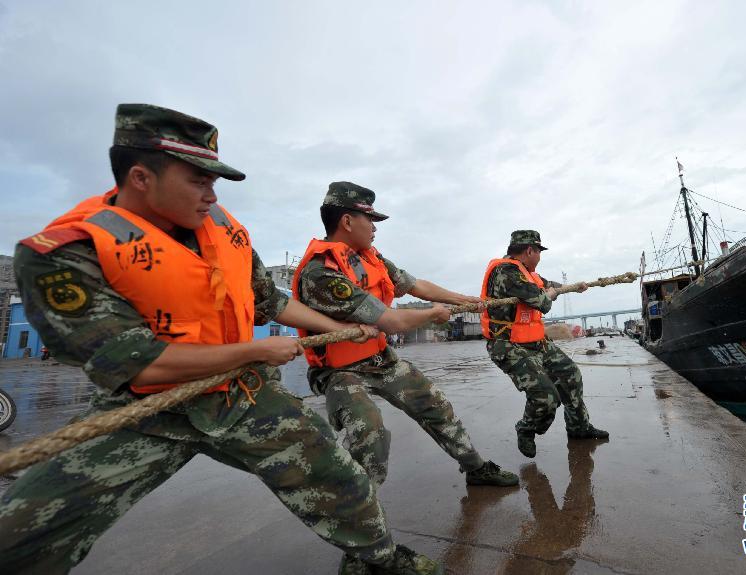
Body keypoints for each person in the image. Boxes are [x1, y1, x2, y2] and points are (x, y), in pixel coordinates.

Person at [0, 104, 442, 575]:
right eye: (198, 180)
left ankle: (380, 559)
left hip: (241, 395)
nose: (212, 195)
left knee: (337, 477)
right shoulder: (66, 253)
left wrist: (335, 330)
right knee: (26, 530)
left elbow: (267, 300)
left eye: (214, 182)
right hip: (146, 409)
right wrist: (256, 350)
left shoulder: (224, 230)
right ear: (141, 177)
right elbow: (136, 364)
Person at [292, 182, 519, 495]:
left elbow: (416, 285)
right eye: (369, 220)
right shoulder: (321, 272)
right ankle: (363, 527)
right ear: (347, 221)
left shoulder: (371, 258)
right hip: (339, 371)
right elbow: (392, 321)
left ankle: (476, 468)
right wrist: (433, 314)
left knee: (435, 405)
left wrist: (462, 299)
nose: (374, 228)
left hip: (379, 359)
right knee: (369, 435)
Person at [481, 230, 609, 458]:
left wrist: (574, 287)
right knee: (546, 396)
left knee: (571, 375)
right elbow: (542, 301)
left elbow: (549, 285)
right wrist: (549, 294)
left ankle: (579, 428)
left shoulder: (528, 274)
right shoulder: (506, 272)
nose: (540, 256)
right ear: (530, 250)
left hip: (536, 341)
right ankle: (526, 429)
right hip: (509, 345)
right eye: (539, 251)